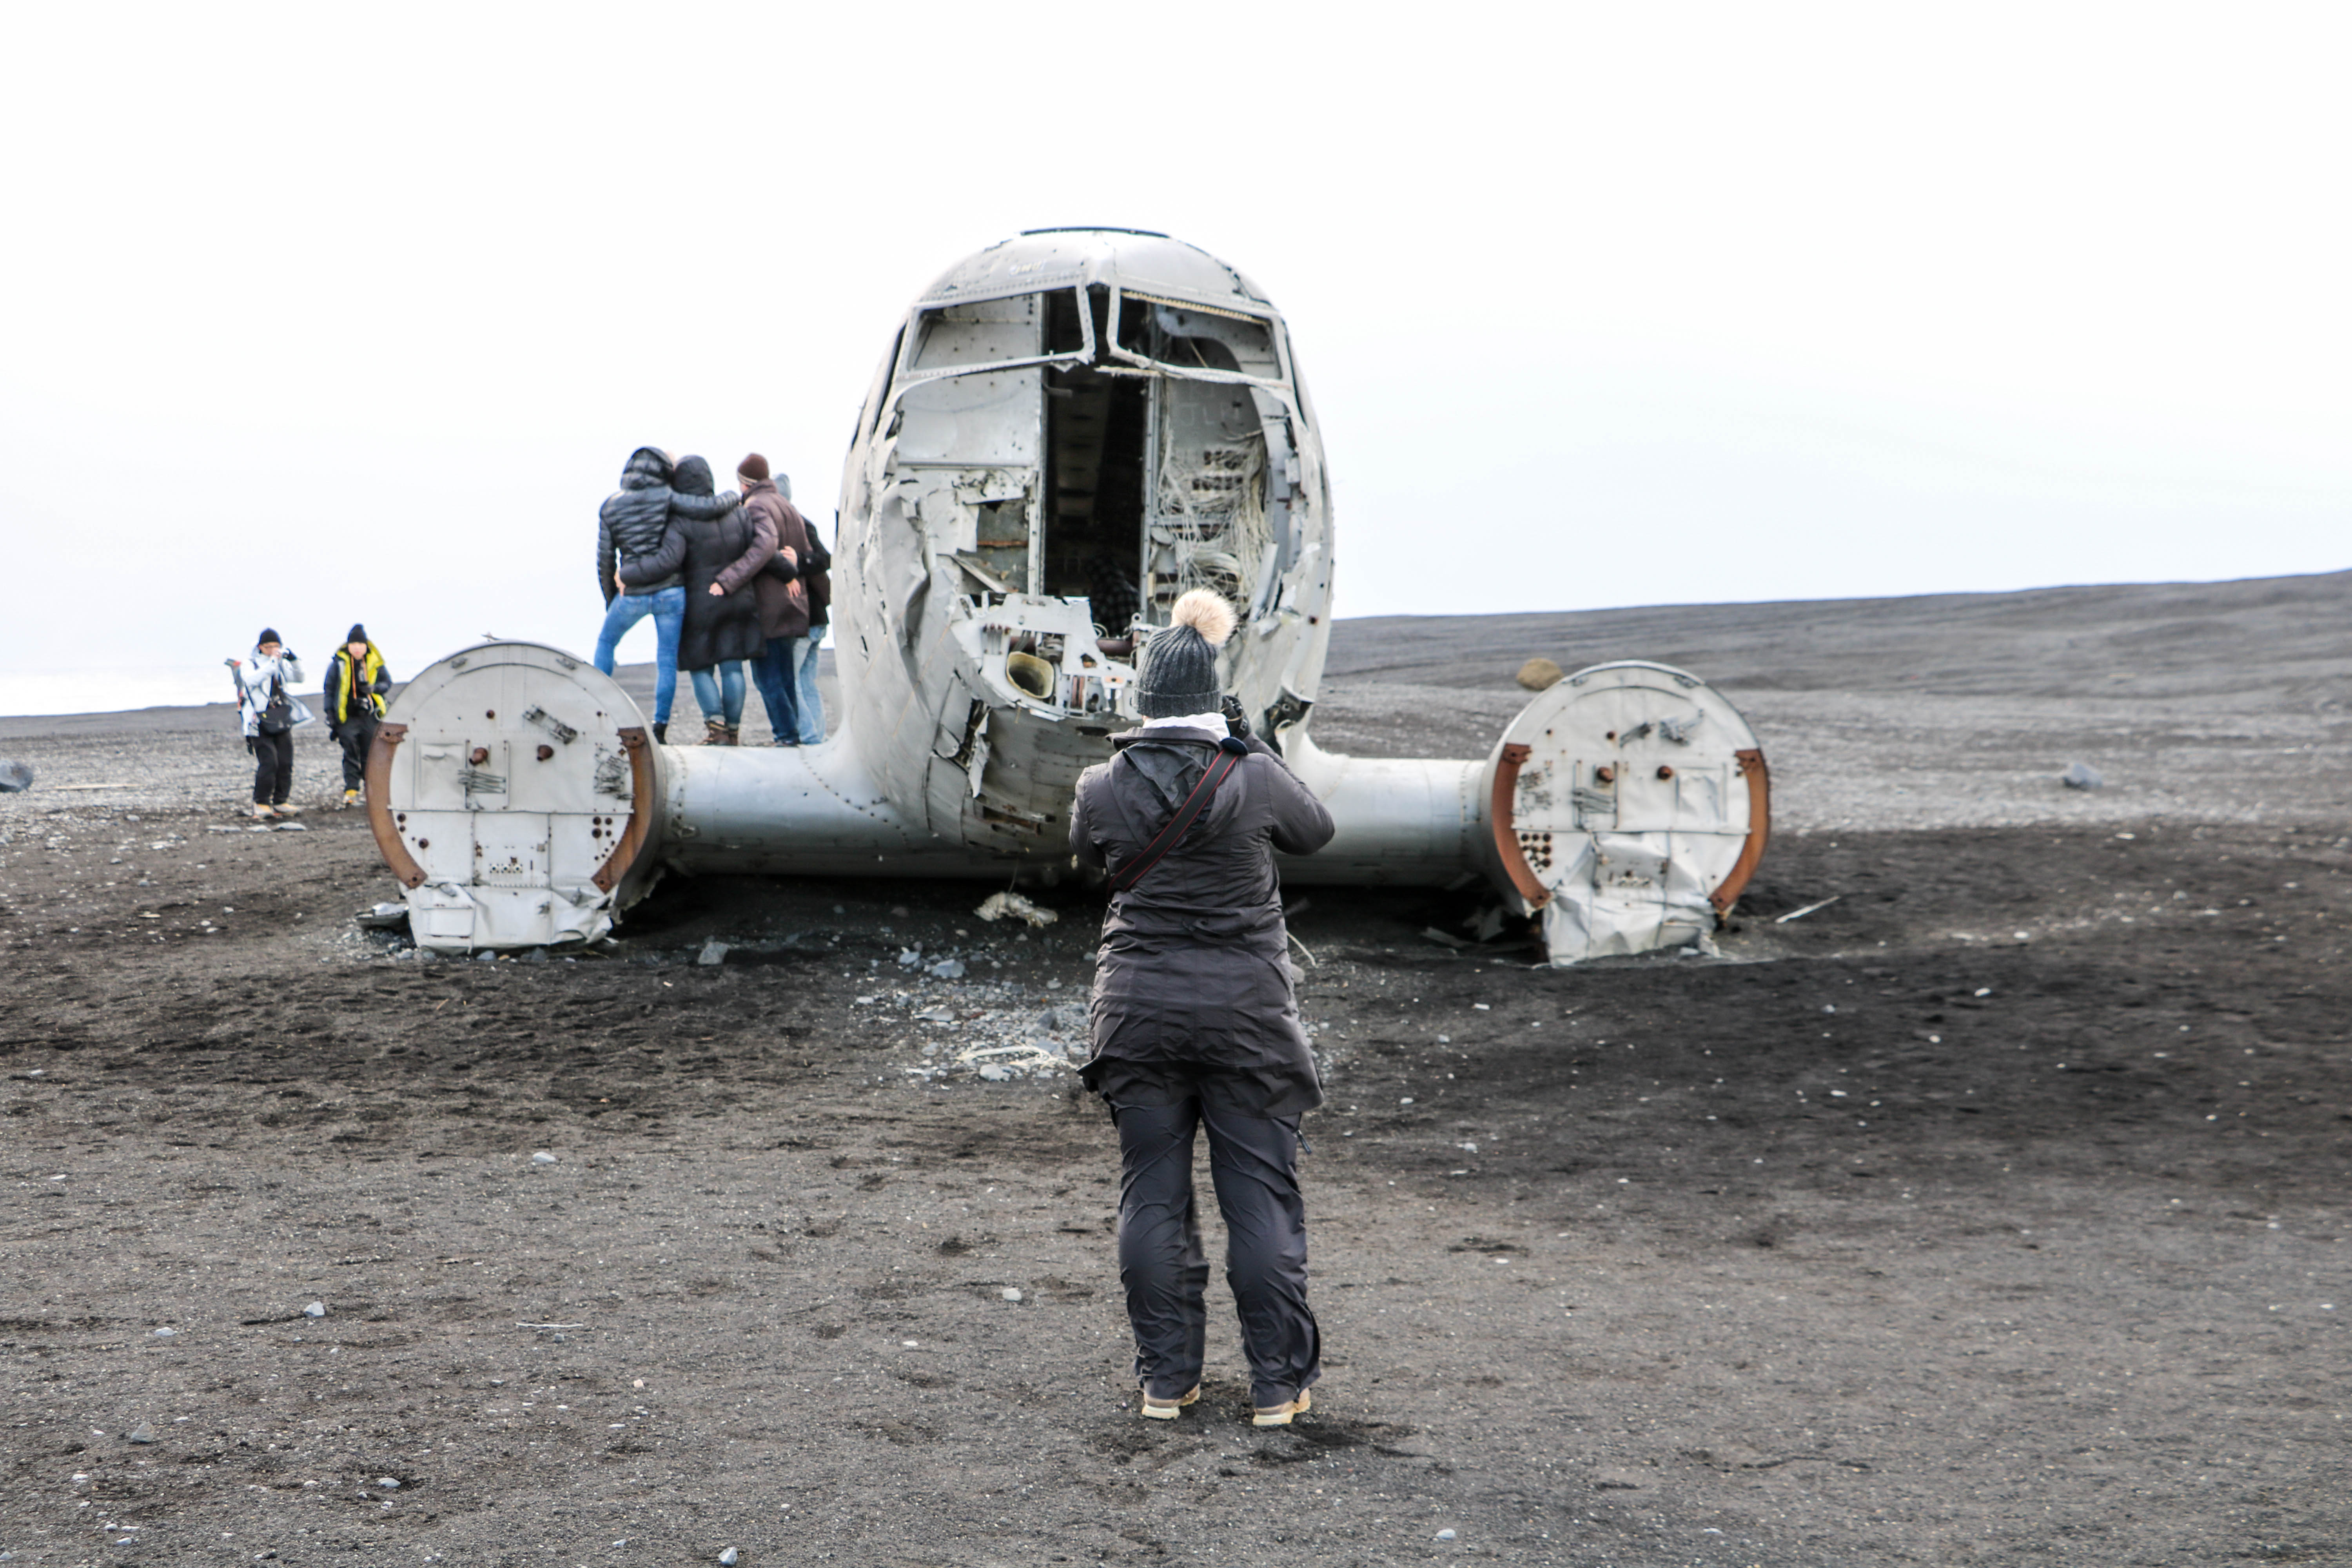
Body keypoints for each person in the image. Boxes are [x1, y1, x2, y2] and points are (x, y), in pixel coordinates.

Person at [1068, 589, 1337, 1428]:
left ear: (1143, 699)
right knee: (1258, 1197)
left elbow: (1087, 861)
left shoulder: (1100, 784)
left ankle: (1166, 1381)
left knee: (1152, 1193)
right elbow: (1317, 830)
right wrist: (1249, 741)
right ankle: (1275, 1388)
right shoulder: (1253, 776)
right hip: (1246, 1016)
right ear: (1212, 698)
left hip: (1138, 1009)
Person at [593, 446, 742, 744]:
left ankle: (595, 705)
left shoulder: (610, 506)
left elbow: (605, 559)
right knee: (666, 660)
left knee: (607, 643)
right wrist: (735, 496)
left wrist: (612, 601)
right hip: (671, 592)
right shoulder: (668, 498)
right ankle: (659, 727)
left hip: (632, 593)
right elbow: (709, 508)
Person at [620, 456, 766, 744]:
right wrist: (789, 569)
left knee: (701, 668)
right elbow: (758, 549)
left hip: (701, 604)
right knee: (733, 667)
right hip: (738, 597)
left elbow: (667, 561)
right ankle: (734, 732)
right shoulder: (737, 512)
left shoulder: (681, 521)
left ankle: (717, 729)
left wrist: (628, 574)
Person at [736, 454, 813, 746]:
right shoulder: (787, 506)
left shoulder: (756, 506)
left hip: (768, 603)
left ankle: (786, 735)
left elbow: (763, 548)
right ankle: (792, 734)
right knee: (785, 678)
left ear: (745, 483)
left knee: (767, 679)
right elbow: (804, 551)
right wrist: (793, 575)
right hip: (793, 602)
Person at [227, 630, 312, 820]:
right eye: (269, 647)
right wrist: (273, 663)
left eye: (276, 647)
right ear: (260, 647)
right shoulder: (250, 664)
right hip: (257, 720)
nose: (273, 650)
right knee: (269, 763)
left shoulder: (280, 663)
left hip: (279, 717)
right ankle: (261, 803)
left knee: (285, 762)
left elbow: (299, 678)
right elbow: (251, 681)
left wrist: (294, 661)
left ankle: (281, 801)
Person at [323, 625, 390, 808]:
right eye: (354, 644)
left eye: (361, 644)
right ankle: (351, 789)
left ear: (367, 646)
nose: (358, 648)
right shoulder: (338, 664)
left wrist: (374, 689)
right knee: (350, 751)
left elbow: (387, 683)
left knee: (371, 753)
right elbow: (329, 690)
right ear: (348, 646)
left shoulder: (376, 662)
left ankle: (373, 791)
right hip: (347, 716)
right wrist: (330, 714)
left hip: (370, 715)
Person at [792, 494, 832, 744]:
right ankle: (816, 735)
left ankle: (809, 736)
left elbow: (823, 559)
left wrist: (795, 562)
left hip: (804, 621)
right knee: (807, 681)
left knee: (793, 679)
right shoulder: (805, 524)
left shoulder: (790, 528)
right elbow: (825, 559)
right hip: (819, 619)